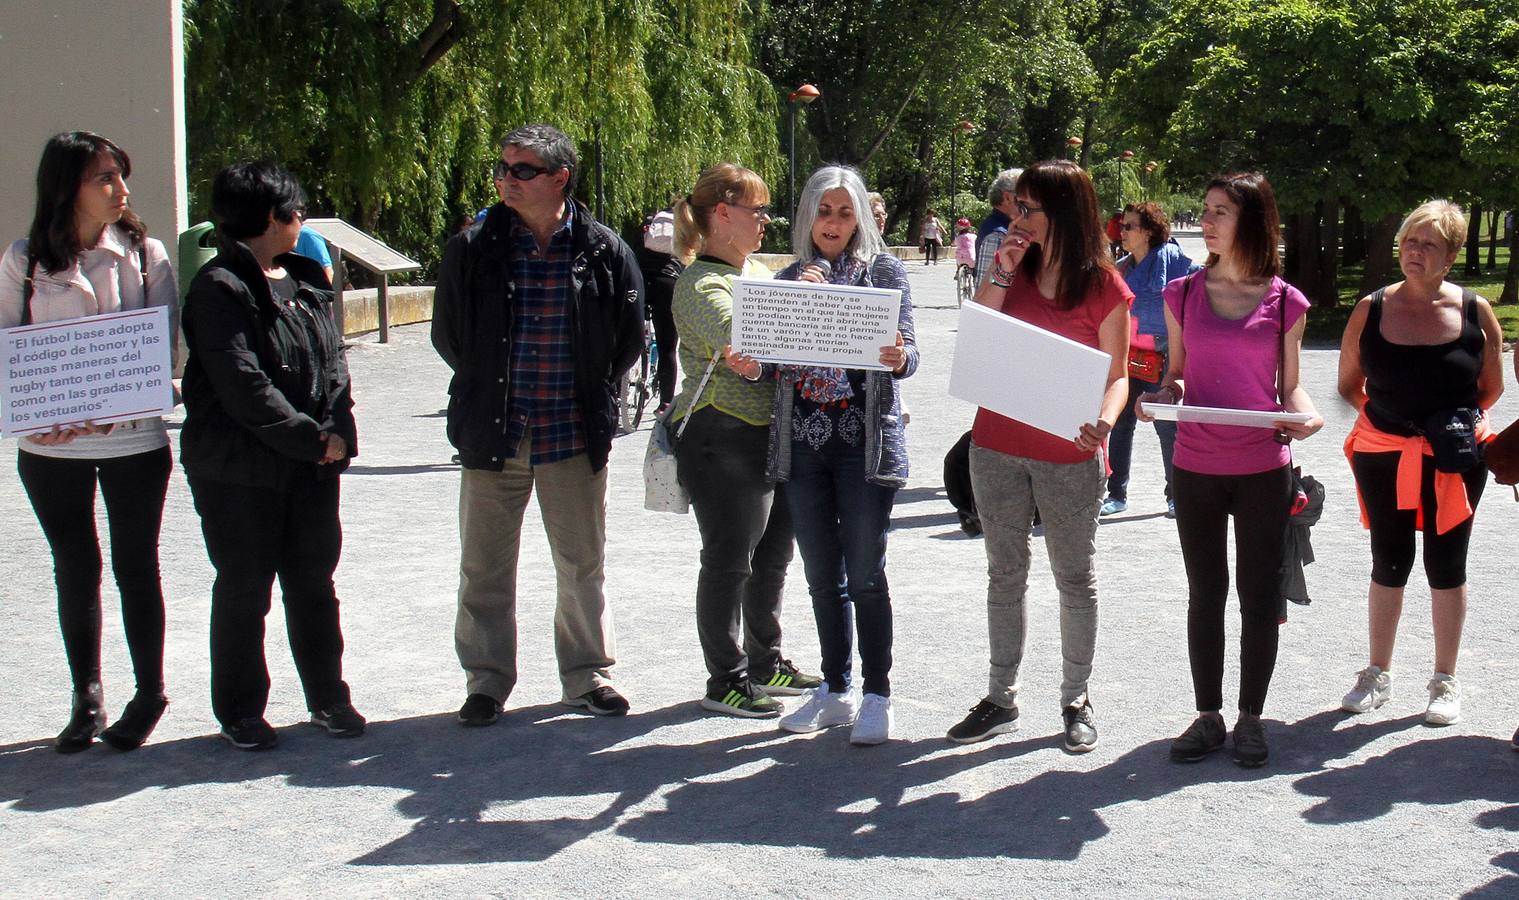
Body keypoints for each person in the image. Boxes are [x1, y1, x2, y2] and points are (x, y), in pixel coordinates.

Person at [432, 124, 644, 726]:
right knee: (484, 566)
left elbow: (626, 342)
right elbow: (450, 337)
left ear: (559, 178)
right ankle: (486, 681)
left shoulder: (605, 249)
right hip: (494, 429)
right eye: (502, 169)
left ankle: (587, 676)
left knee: (582, 564)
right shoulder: (473, 248)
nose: (506, 180)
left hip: (571, 433)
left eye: (521, 170)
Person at [1137, 172, 1323, 768]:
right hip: (1194, 463)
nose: (1208, 221)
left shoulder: (1285, 300)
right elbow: (1179, 376)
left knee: (1258, 593)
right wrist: (1164, 393)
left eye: (1220, 211)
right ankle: (1208, 714)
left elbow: (1290, 389)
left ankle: (1250, 717)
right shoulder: (1184, 293)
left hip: (1263, 465)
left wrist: (1309, 417)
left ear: (1252, 221)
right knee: (1205, 592)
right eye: (1207, 210)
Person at [945, 160, 1131, 753]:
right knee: (1006, 573)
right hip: (996, 445)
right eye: (1014, 207)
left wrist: (1104, 421)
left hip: (1068, 451)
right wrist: (1000, 271)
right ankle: (1001, 698)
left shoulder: (1104, 284)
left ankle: (1076, 699)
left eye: (1027, 209)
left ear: (1063, 214)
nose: (1015, 218)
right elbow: (977, 332)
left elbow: (1120, 375)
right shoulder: (1009, 267)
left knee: (1075, 578)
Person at [0, 132, 176, 753]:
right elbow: (9, 348)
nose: (120, 190)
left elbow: (162, 354)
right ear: (66, 186)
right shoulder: (24, 259)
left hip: (133, 442)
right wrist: (36, 412)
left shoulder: (148, 255)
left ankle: (150, 691)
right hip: (52, 449)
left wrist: (109, 407)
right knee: (74, 568)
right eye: (105, 178)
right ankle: (87, 695)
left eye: (120, 177)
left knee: (136, 565)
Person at [182, 161, 364, 751]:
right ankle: (240, 710)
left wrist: (338, 426)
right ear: (268, 217)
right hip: (240, 469)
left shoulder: (305, 280)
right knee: (245, 586)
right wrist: (313, 439)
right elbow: (243, 386)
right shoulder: (218, 288)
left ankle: (328, 698)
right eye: (294, 210)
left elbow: (334, 363)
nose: (301, 218)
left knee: (314, 582)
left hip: (310, 464)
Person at [767, 166, 918, 745]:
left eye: (844, 212)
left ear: (859, 217)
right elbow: (769, 365)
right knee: (820, 575)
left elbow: (909, 357)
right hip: (803, 444)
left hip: (863, 444)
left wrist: (897, 353)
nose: (833, 223)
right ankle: (836, 688)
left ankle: (877, 694)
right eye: (823, 212)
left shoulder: (884, 272)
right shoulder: (784, 278)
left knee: (865, 573)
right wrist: (753, 359)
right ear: (808, 215)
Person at [1337, 200, 1502, 726]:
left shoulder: (1476, 312)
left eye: (1429, 244)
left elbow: (1491, 388)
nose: (1415, 250)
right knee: (1388, 560)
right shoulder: (1371, 308)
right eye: (1410, 240)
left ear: (1451, 255)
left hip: (1453, 456)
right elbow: (1348, 383)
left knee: (1447, 564)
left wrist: (1441, 430)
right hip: (1383, 452)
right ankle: (1377, 673)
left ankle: (1444, 681)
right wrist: (1388, 423)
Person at [670, 162, 821, 718]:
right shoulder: (700, 283)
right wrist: (801, 305)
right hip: (721, 435)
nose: (765, 220)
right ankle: (725, 677)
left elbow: (768, 342)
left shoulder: (756, 270)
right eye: (756, 210)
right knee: (730, 559)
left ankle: (766, 660)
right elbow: (752, 341)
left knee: (774, 555)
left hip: (769, 434)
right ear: (721, 214)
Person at [1103, 201, 1194, 518]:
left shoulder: (1175, 261)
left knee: (1167, 427)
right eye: (1122, 225)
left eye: (1129, 226)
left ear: (1150, 231)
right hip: (1129, 353)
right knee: (1121, 422)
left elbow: (1199, 288)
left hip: (1164, 355)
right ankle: (1116, 494)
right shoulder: (1122, 267)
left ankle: (1176, 495)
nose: (1122, 231)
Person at [640, 201, 684, 412]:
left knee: (625, 340)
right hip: (667, 282)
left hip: (640, 280)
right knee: (668, 347)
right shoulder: (684, 224)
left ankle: (616, 391)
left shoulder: (648, 222)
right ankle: (665, 403)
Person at [974, 168, 1022, 285]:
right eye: (1023, 195)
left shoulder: (1003, 228)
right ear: (1007, 197)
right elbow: (984, 287)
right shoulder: (996, 235)